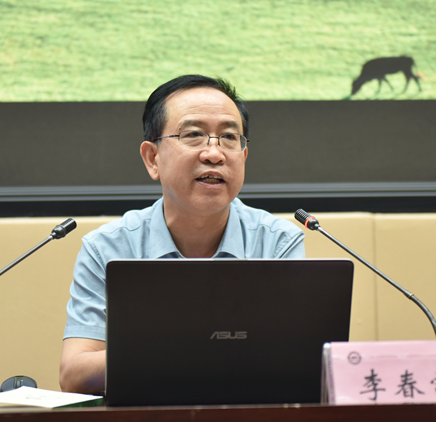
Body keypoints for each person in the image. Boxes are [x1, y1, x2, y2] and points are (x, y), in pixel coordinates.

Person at [59, 75, 305, 394]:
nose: (214, 153)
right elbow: (74, 376)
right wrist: (185, 346)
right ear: (153, 158)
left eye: (229, 137)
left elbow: (297, 363)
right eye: (193, 135)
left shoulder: (277, 243)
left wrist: (172, 349)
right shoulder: (107, 248)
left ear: (243, 156)